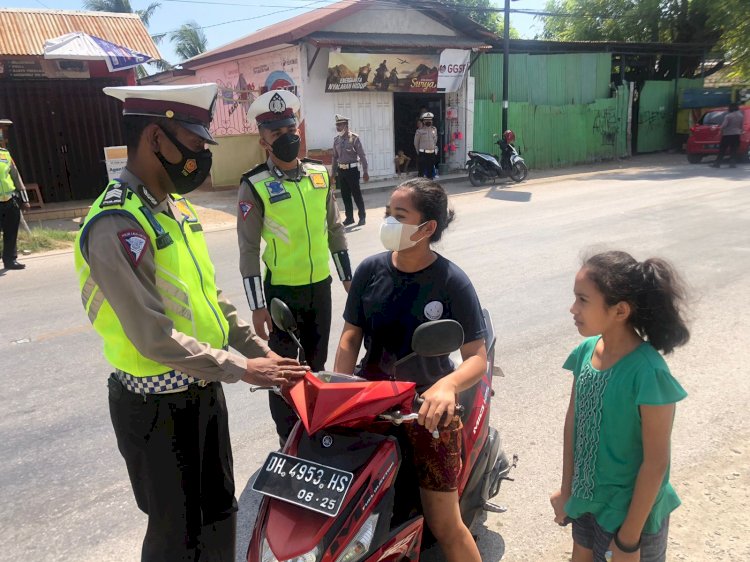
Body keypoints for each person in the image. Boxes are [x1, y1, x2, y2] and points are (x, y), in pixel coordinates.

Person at [73, 83, 307, 562]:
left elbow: (211, 301)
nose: (201, 158)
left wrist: (263, 353)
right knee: (175, 537)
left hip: (202, 391)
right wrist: (244, 369)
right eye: (196, 145)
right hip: (154, 407)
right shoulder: (117, 223)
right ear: (157, 139)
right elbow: (153, 336)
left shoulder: (175, 210)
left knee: (220, 513)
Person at [334, 178, 486, 562]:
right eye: (387, 213)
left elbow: (477, 358)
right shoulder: (370, 271)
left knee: (445, 525)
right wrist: (340, 387)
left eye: (399, 216)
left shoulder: (452, 282)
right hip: (369, 403)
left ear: (427, 227)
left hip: (426, 411)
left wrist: (446, 387)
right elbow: (350, 338)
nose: (388, 221)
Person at [550, 250, 690, 562]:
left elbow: (656, 463)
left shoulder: (648, 373)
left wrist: (628, 539)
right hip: (587, 503)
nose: (573, 308)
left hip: (631, 516)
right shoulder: (585, 352)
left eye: (583, 300)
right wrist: (566, 490)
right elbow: (573, 424)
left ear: (620, 310)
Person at [238, 89, 352, 444]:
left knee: (315, 366)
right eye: (277, 134)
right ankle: (288, 438)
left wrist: (349, 279)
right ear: (263, 141)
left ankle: (312, 431)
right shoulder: (254, 184)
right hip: (281, 296)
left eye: (291, 129)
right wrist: (257, 306)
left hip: (321, 288)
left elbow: (334, 229)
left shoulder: (319, 175)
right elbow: (248, 247)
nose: (288, 137)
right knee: (286, 371)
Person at [0, 120, 30, 270]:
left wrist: (24, 200)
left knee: (11, 232)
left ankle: (10, 260)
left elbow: (16, 177)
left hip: (10, 200)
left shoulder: (5, 155)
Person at [332, 114, 369, 226]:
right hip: (341, 171)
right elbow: (334, 157)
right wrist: (333, 173)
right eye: (337, 125)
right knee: (345, 195)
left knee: (356, 194)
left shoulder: (354, 138)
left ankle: (362, 217)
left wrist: (365, 171)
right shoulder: (336, 140)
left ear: (346, 125)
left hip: (352, 171)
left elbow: (362, 155)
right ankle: (349, 218)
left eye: (340, 125)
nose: (338, 127)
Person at [712, 103, 745, 168]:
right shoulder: (741, 116)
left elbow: (724, 125)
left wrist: (719, 129)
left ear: (730, 108)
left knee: (722, 149)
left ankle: (717, 163)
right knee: (734, 149)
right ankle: (732, 163)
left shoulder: (728, 116)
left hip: (727, 135)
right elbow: (741, 126)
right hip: (736, 134)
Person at [414, 112, 438, 179]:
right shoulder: (419, 131)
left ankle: (430, 185)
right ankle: (420, 186)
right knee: (421, 172)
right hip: (423, 153)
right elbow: (416, 143)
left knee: (430, 171)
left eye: (430, 120)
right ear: (423, 121)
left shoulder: (434, 129)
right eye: (427, 120)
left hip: (431, 153)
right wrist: (419, 152)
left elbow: (435, 140)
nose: (428, 121)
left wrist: (433, 148)